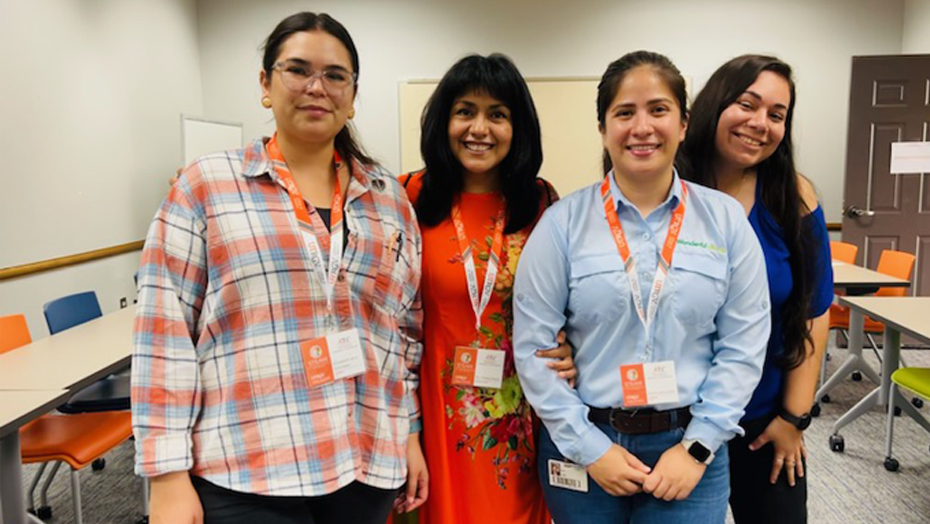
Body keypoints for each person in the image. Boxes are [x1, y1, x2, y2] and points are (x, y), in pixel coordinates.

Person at [132, 12, 426, 524]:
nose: (317, 87)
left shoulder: (388, 199)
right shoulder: (207, 186)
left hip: (365, 457)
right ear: (266, 84)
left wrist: (410, 433)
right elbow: (164, 334)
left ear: (353, 95)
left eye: (335, 76)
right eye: (298, 70)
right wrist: (166, 476)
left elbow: (404, 330)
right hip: (248, 467)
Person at [512, 50, 772, 524]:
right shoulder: (562, 224)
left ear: (684, 123)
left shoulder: (725, 221)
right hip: (583, 444)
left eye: (658, 109)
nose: (642, 127)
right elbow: (534, 348)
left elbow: (743, 346)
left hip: (689, 445)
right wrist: (589, 448)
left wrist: (696, 448)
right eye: (624, 113)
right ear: (603, 128)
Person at [397, 54, 572, 524]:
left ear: (519, 128)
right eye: (465, 111)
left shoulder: (541, 202)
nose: (480, 128)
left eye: (498, 114)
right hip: (429, 408)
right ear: (443, 120)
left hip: (514, 412)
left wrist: (571, 344)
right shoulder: (405, 196)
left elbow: (568, 301)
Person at [677, 55, 833, 524]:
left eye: (777, 114)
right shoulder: (666, 188)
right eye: (747, 104)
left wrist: (794, 418)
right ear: (714, 105)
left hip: (763, 422)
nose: (759, 123)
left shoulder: (793, 196)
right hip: (673, 419)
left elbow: (813, 311)